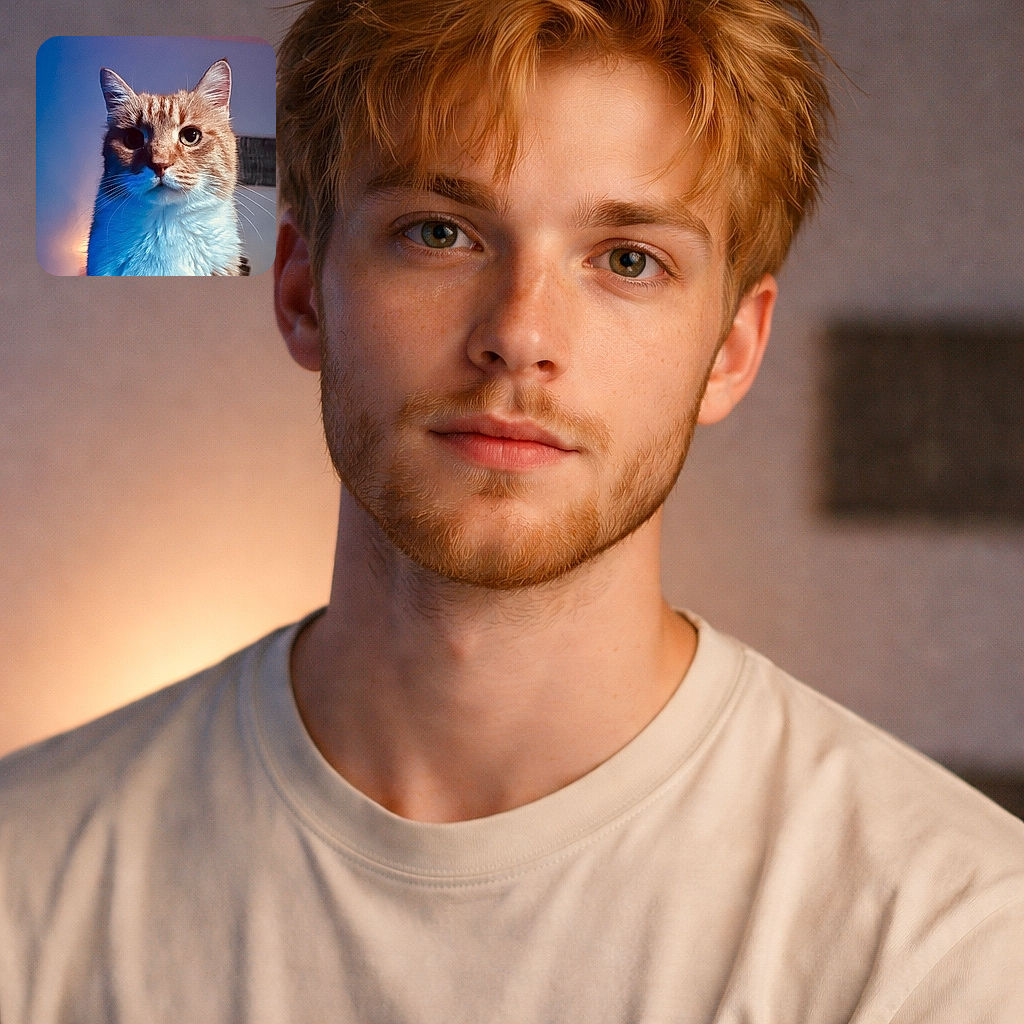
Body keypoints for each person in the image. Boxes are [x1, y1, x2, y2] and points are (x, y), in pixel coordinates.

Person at [2, 0, 1023, 1019]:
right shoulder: (25, 880)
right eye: (439, 233)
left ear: (732, 350)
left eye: (628, 258)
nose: (520, 334)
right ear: (303, 291)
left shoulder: (952, 939)